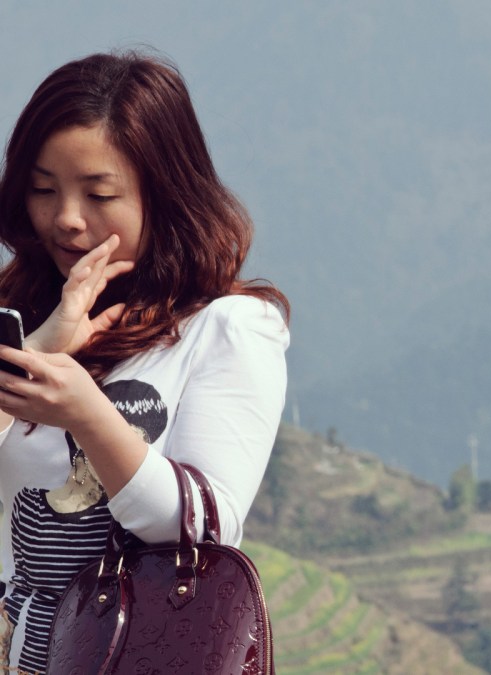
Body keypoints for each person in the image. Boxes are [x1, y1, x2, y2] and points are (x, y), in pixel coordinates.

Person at [0, 51, 288, 672]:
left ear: (165, 195)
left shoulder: (228, 327)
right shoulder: (21, 321)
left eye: (99, 194)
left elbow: (206, 529)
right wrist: (44, 350)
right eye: (43, 189)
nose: (66, 219)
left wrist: (86, 413)